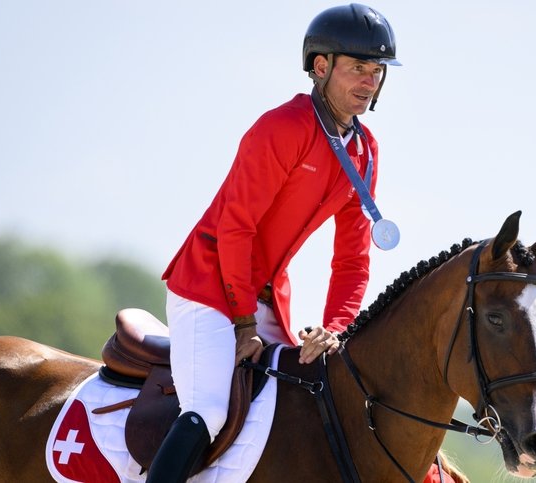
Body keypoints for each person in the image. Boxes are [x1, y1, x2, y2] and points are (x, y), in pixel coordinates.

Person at [146, 4, 401, 482]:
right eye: (357, 69)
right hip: (208, 284)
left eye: (376, 71)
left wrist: (335, 327)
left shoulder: (365, 151)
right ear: (320, 67)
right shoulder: (282, 127)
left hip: (263, 296)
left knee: (306, 396)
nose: (369, 82)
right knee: (209, 408)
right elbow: (235, 228)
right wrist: (243, 321)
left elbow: (352, 259)